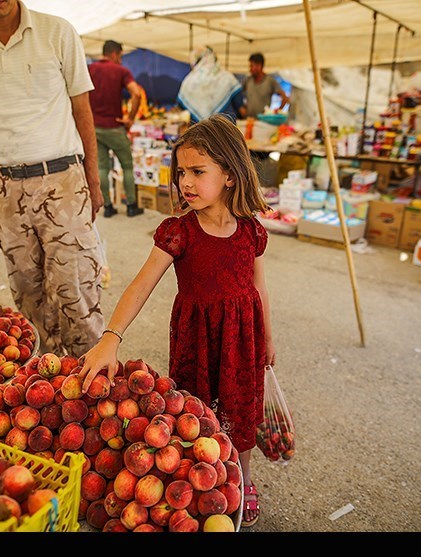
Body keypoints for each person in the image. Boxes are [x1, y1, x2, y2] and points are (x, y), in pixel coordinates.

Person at [78, 114, 275, 528]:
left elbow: (259, 289)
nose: (185, 182)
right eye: (181, 172)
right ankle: (199, 484)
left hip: (244, 340)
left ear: (231, 175)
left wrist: (267, 338)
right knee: (196, 417)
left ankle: (243, 480)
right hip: (198, 339)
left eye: (198, 172)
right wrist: (110, 337)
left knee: (240, 413)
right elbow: (140, 285)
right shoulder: (178, 232)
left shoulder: (251, 232)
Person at [0, 0, 105, 357]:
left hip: (62, 179)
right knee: (27, 293)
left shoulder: (57, 31)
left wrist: (93, 182)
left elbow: (82, 110)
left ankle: (93, 380)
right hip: (3, 187)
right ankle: (49, 375)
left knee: (74, 289)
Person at [88, 39, 144, 218]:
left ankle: (109, 207)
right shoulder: (121, 71)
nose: (121, 60)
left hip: (94, 127)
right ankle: (131, 206)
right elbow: (136, 93)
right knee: (127, 166)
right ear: (114, 54)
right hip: (114, 126)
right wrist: (130, 119)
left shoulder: (89, 70)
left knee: (102, 168)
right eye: (120, 56)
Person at [177, 47, 244, 124]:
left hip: (199, 131)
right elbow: (240, 107)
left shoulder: (189, 81)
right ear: (213, 58)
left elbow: (180, 107)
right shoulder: (227, 78)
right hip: (226, 130)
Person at [242, 52, 289, 119]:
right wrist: (242, 107)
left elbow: (285, 98)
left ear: (259, 65)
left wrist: (276, 112)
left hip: (263, 122)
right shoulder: (248, 81)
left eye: (252, 66)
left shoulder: (270, 81)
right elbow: (238, 94)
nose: (250, 69)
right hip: (249, 120)